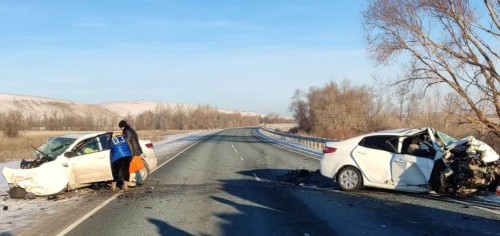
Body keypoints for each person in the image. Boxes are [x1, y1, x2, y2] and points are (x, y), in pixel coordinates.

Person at [118, 120, 144, 185]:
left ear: (123, 126)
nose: (121, 129)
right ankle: (139, 181)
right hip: (136, 150)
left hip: (133, 151)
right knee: (135, 167)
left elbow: (126, 141)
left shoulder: (127, 132)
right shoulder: (131, 130)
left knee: (129, 167)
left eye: (121, 127)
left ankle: (129, 182)